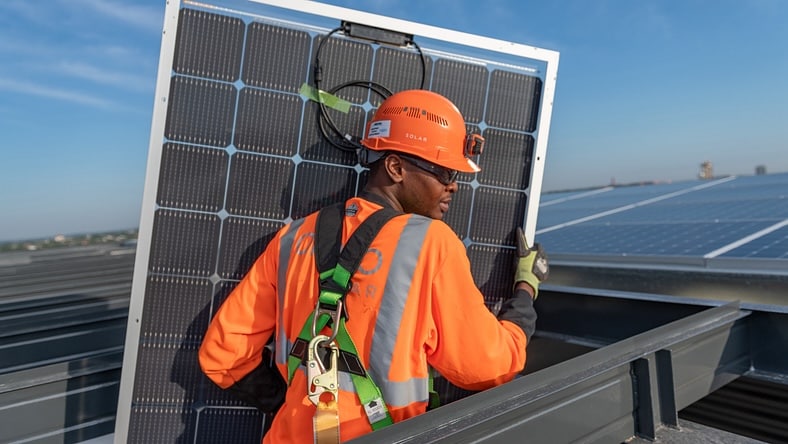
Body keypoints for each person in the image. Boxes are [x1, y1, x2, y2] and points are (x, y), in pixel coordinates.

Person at [198, 89, 546, 443]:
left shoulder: (291, 238)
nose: (453, 186)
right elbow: (489, 366)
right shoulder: (431, 244)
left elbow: (223, 353)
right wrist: (525, 293)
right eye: (443, 171)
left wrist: (288, 407)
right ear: (395, 167)